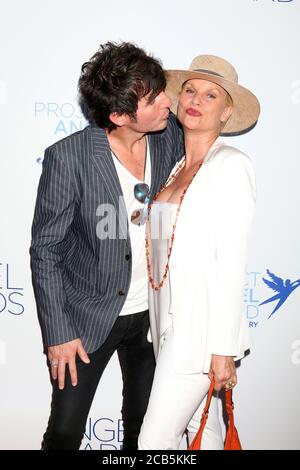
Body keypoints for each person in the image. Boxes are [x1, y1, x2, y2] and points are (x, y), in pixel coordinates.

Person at [30, 41, 182, 450]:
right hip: (88, 319)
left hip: (153, 315)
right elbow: (45, 250)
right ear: (118, 116)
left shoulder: (170, 138)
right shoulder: (69, 158)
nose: (168, 102)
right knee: (64, 432)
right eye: (154, 99)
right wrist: (58, 332)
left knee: (144, 428)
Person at [138, 55, 260, 450]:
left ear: (226, 111)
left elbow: (231, 262)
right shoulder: (175, 168)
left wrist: (223, 349)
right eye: (190, 90)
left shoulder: (231, 165)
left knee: (154, 441)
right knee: (203, 434)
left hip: (200, 330)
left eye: (211, 95)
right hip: (166, 323)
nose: (196, 100)